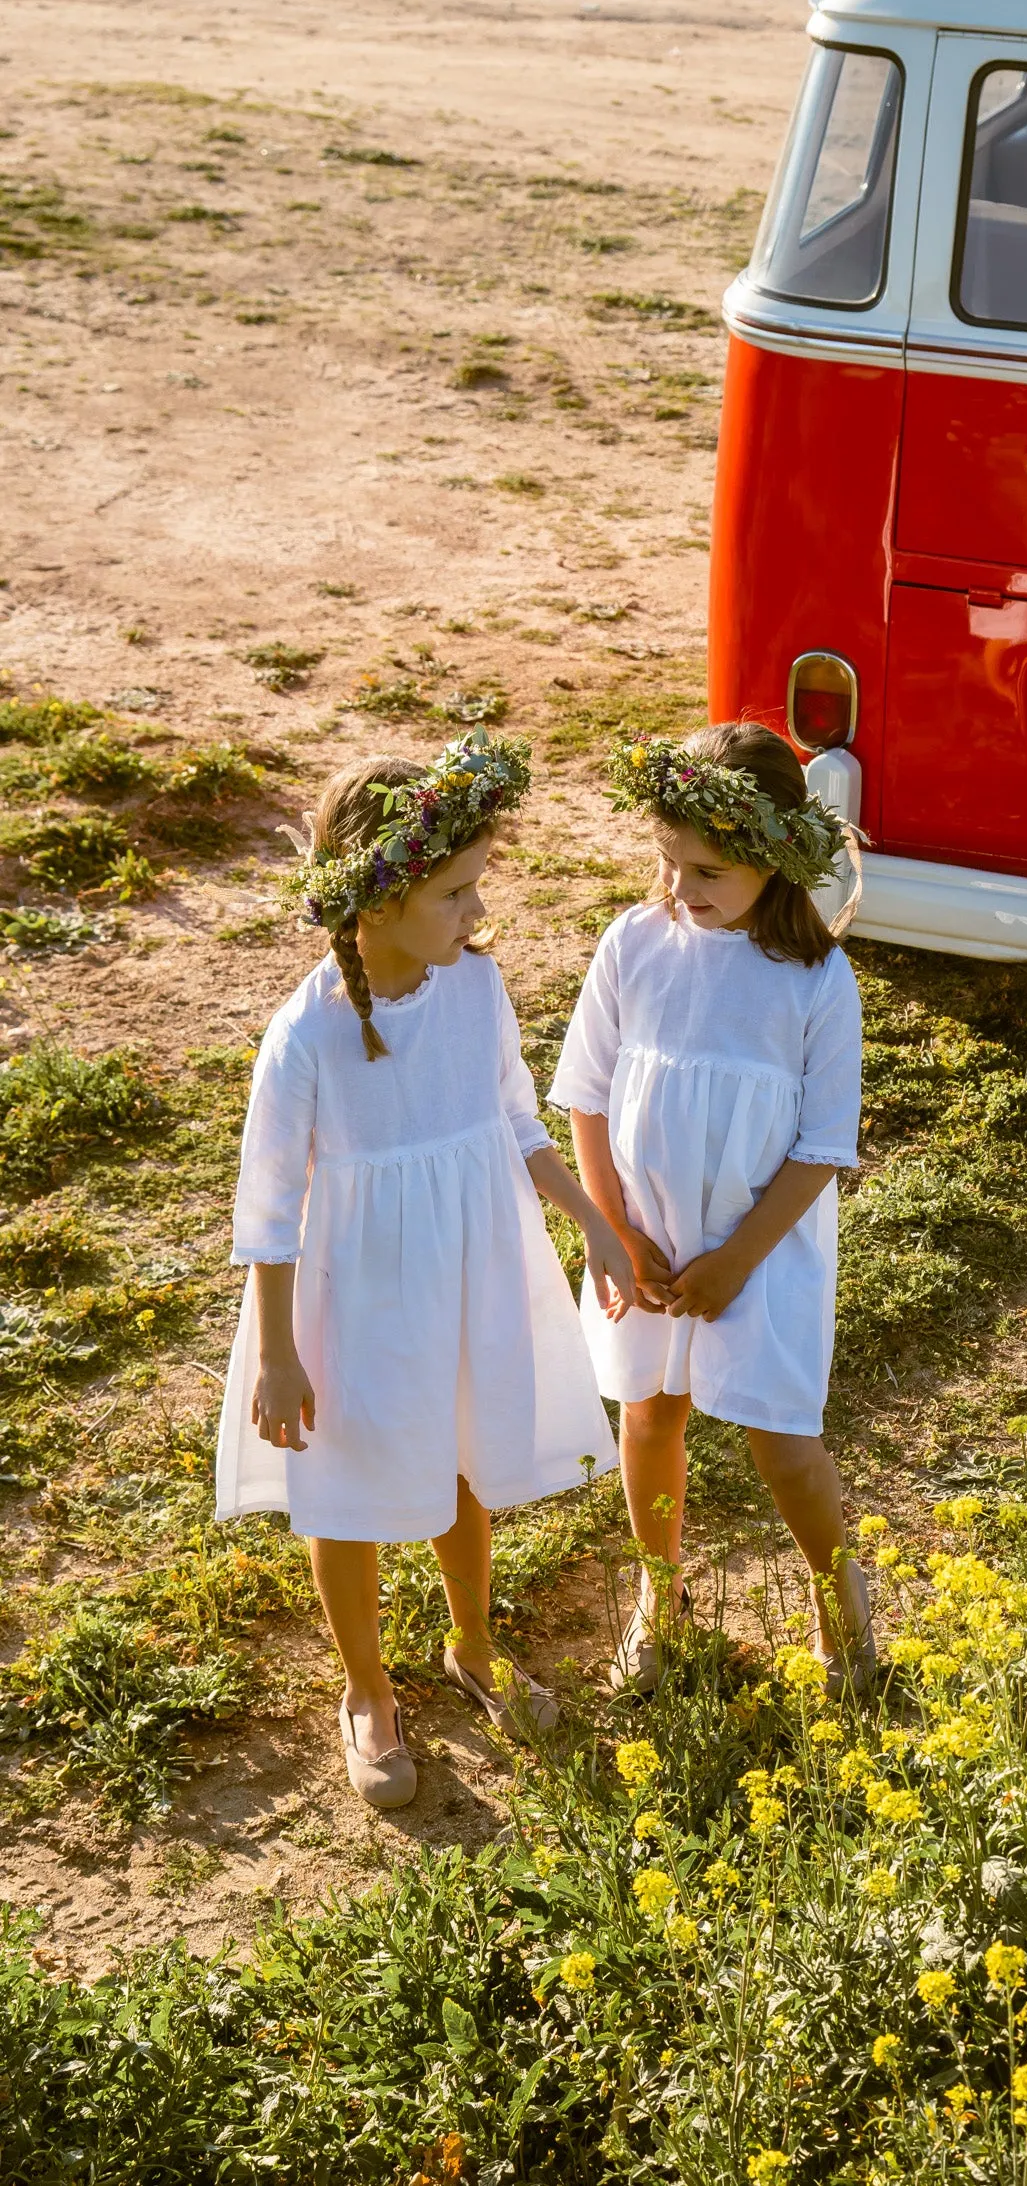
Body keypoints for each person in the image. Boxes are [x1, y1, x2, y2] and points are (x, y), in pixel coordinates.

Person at [214, 731, 632, 1809]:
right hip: (350, 1303)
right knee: (344, 1494)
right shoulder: (305, 1034)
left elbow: (510, 1118)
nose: (475, 916)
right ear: (381, 898)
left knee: (458, 1463)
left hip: (461, 1274)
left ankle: (474, 1645)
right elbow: (266, 1212)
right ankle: (366, 1688)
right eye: (455, 894)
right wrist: (277, 1357)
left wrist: (588, 1217)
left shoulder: (472, 987)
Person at [549, 721, 872, 1693]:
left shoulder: (816, 981)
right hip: (641, 1238)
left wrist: (737, 1259)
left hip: (757, 1254)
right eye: (669, 862)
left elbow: (821, 1147)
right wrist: (610, 1229)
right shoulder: (634, 944)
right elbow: (586, 1095)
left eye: (708, 871)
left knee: (782, 1442)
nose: (681, 888)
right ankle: (660, 1597)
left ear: (776, 858)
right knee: (648, 1417)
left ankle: (840, 1610)